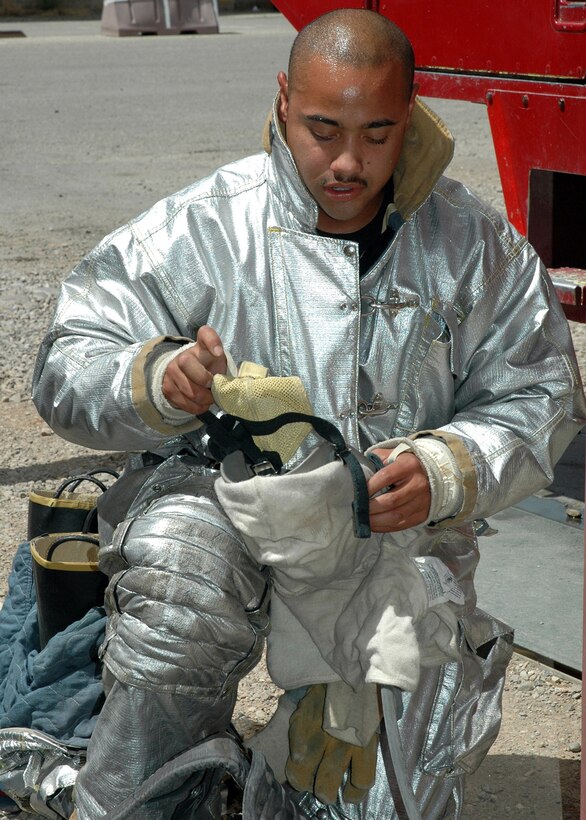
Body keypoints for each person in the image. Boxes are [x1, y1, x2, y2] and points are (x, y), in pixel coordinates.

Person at [31, 8, 585, 819]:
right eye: (323, 130)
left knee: (368, 776)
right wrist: (154, 379)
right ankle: (143, 800)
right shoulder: (204, 224)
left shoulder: (474, 247)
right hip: (220, 501)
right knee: (181, 586)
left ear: (412, 112)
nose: (349, 163)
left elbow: (541, 392)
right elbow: (67, 353)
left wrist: (448, 467)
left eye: (378, 132)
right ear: (284, 100)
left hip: (393, 538)